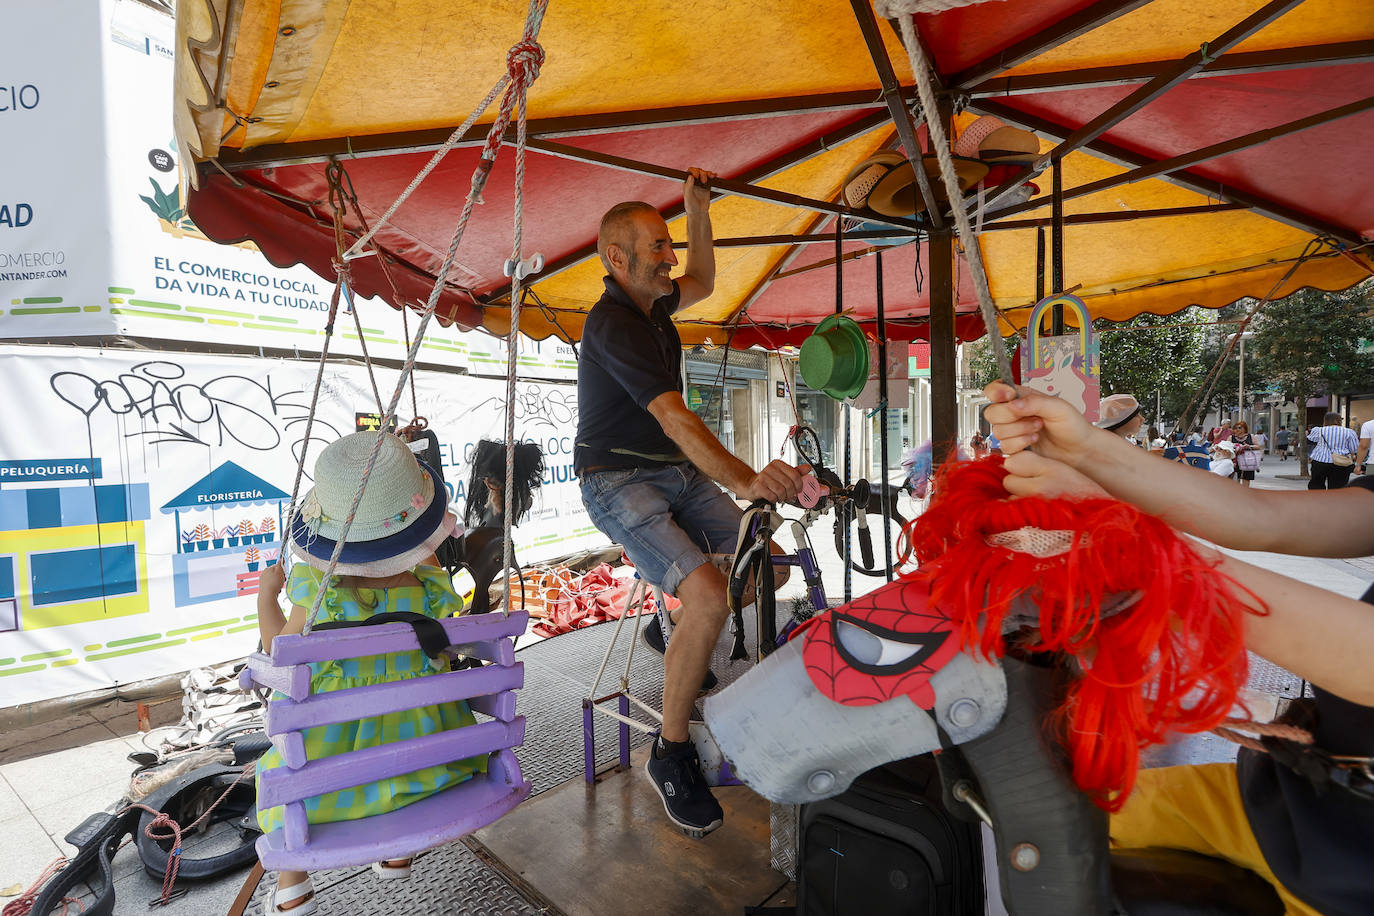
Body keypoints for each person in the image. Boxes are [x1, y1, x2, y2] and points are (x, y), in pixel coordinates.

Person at [982, 381, 1374, 916]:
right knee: (1047, 821)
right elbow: (1267, 517)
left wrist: (1138, 544)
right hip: (1307, 792)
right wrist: (1087, 450)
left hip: (1350, 866)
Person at [575, 168, 806, 837]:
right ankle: (671, 750)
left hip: (671, 473)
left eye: (669, 244)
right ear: (617, 259)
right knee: (709, 595)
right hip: (618, 480)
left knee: (773, 569)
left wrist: (697, 213)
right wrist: (745, 478)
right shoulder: (614, 325)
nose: (670, 258)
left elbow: (701, 281)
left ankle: (674, 635)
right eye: (658, 246)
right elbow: (678, 421)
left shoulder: (653, 307)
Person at [254, 432, 485, 914]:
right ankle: (396, 846)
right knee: (400, 712)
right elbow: (436, 603)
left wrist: (266, 597)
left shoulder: (320, 590)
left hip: (331, 777)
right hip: (426, 764)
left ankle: (293, 883)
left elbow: (279, 651)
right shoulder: (431, 589)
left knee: (295, 746)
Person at [1307, 411, 1359, 490]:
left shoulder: (1318, 430)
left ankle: (1318, 501)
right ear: (1339, 420)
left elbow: (1311, 438)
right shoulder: (1349, 432)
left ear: (1325, 420)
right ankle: (1335, 501)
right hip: (1341, 462)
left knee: (1316, 485)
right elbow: (1354, 448)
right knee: (1338, 487)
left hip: (1320, 460)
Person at [1231, 420, 1259, 488]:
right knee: (1235, 480)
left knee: (1246, 480)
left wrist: (1249, 446)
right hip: (1235, 461)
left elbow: (1258, 446)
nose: (1238, 429)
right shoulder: (1231, 437)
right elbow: (1226, 447)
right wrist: (1235, 447)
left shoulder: (1251, 436)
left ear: (1245, 428)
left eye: (1240, 427)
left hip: (1248, 461)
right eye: (1236, 428)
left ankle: (1244, 495)